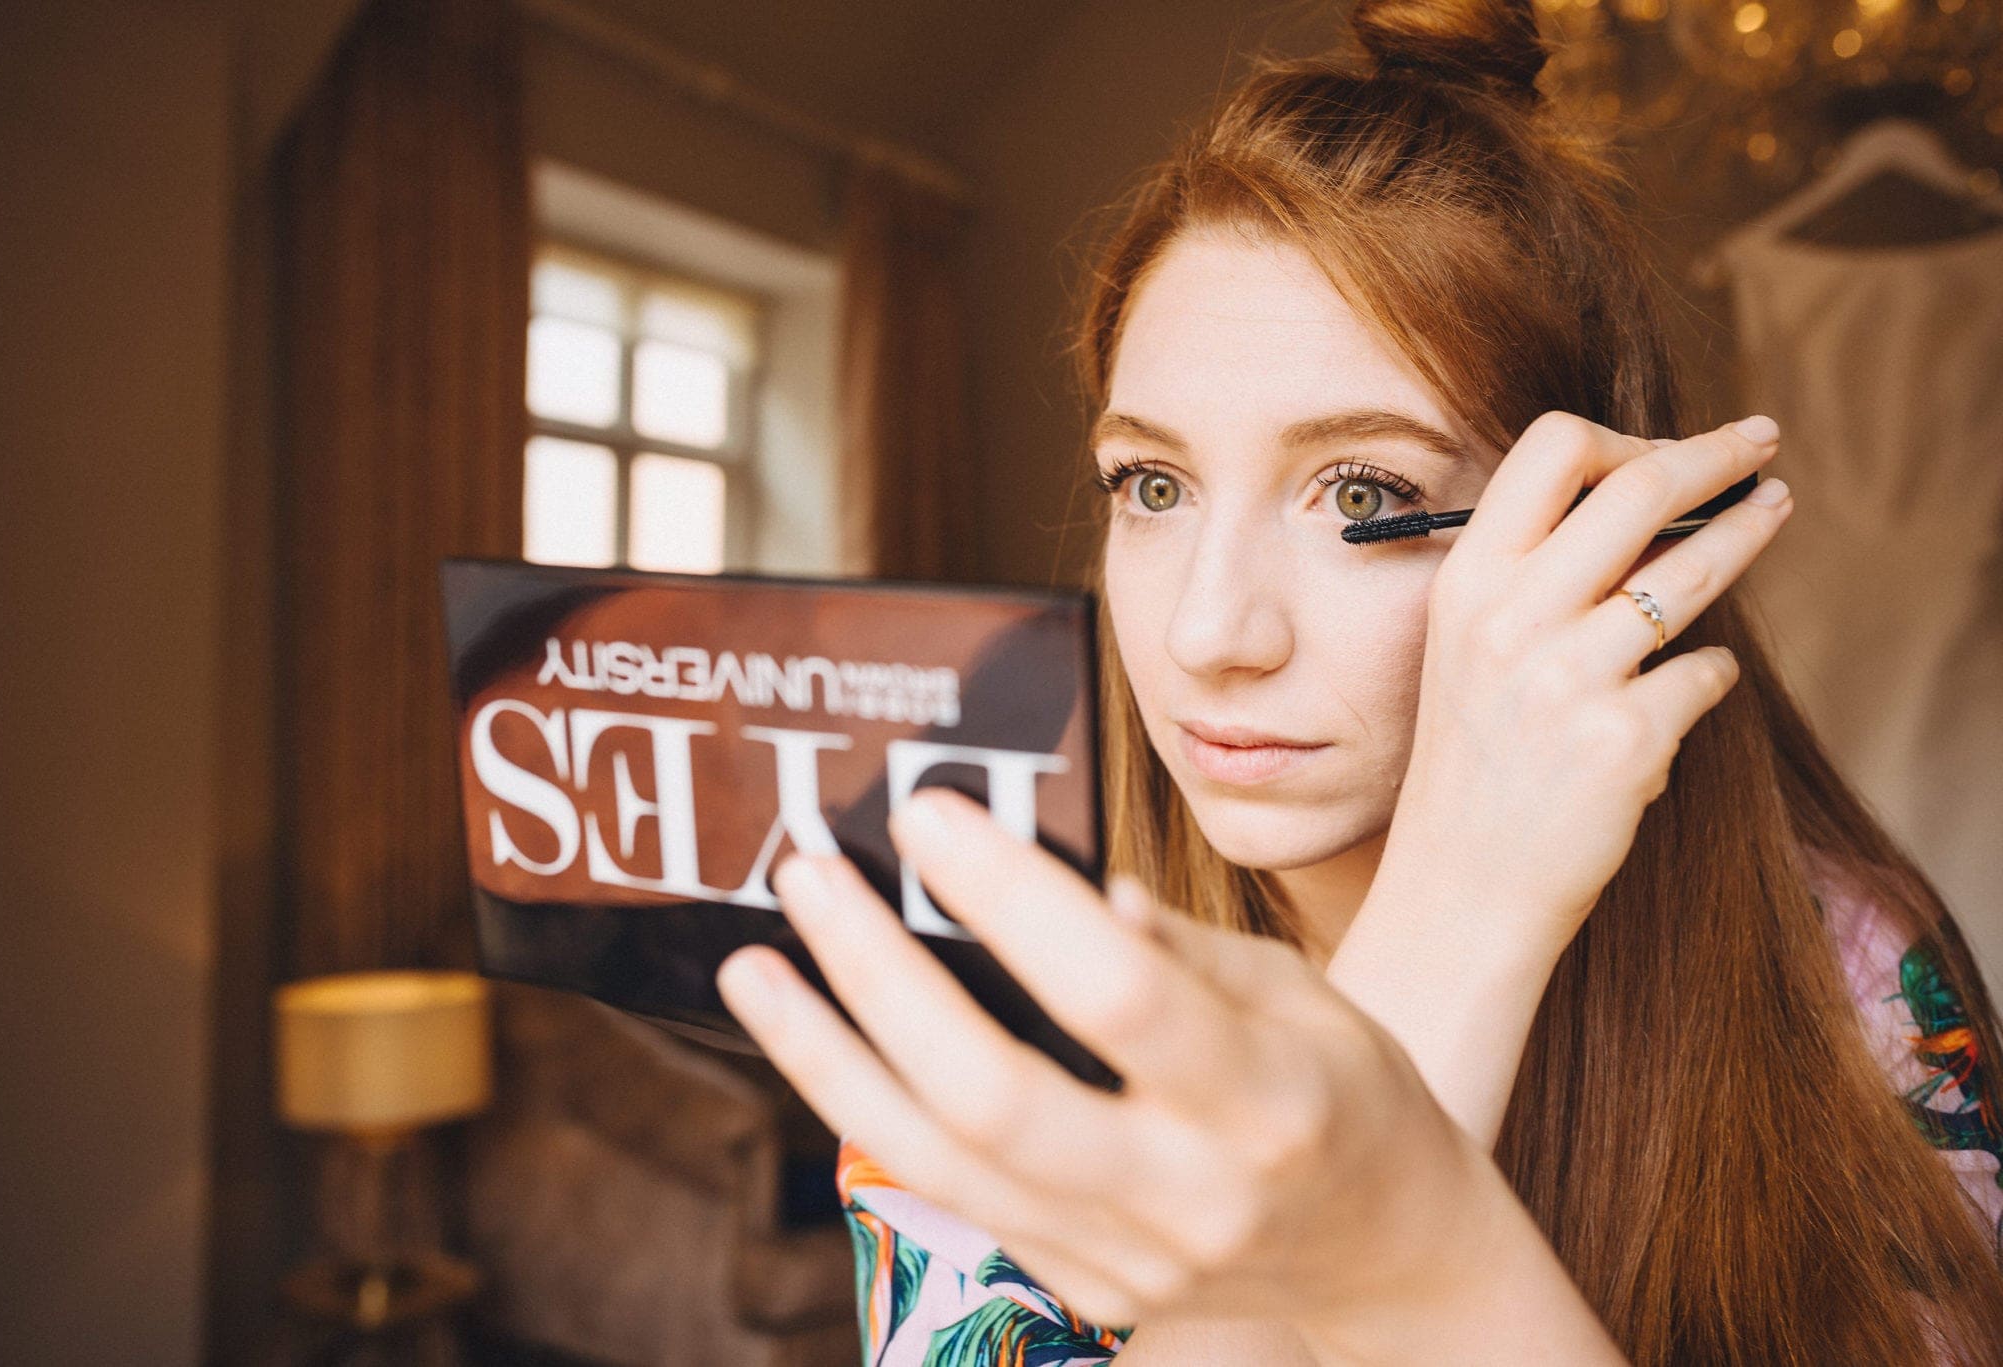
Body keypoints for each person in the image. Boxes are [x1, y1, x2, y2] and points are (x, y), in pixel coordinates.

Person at [714, 0, 2003, 1361]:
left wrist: (1458, 956)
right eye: (1152, 486)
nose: (1212, 633)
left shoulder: (1841, 971)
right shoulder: (980, 1012)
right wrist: (1452, 933)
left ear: (1592, 540)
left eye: (1364, 493)